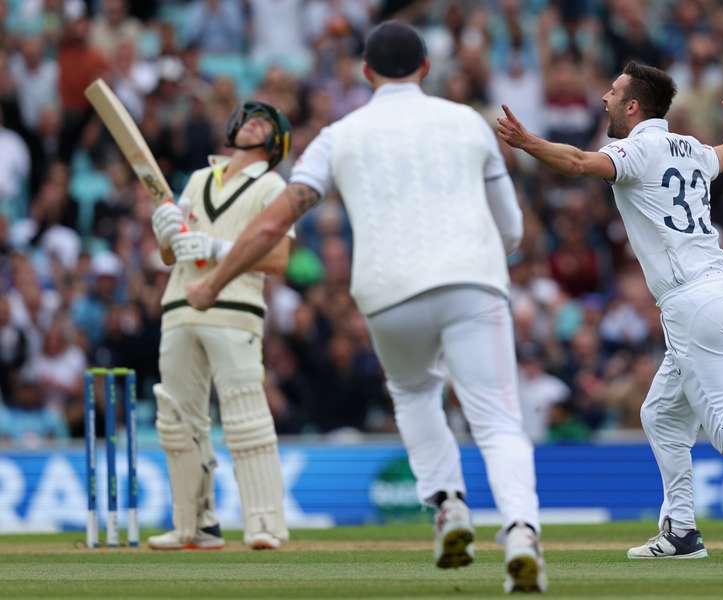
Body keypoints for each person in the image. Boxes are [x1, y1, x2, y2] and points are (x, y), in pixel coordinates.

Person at [185, 21, 547, 594]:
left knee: (413, 393)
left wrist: (212, 282)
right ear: (427, 67)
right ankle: (521, 532)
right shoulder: (468, 123)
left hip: (387, 293)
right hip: (472, 282)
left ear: (365, 72)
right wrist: (479, 258)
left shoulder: (338, 134)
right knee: (498, 421)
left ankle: (449, 507)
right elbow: (513, 230)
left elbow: (275, 222)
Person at [496, 61, 723, 559]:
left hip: (691, 303)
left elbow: (580, 164)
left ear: (633, 106)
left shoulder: (634, 149)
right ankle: (681, 531)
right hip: (721, 292)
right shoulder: (690, 148)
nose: (604, 99)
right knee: (661, 416)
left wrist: (529, 143)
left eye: (613, 92)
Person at [147, 101, 294, 550]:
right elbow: (171, 257)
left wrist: (216, 246)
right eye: (249, 117)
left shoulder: (272, 186)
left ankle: (265, 524)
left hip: (235, 308)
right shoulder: (196, 179)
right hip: (178, 305)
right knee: (177, 420)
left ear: (275, 143)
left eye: (264, 122)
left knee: (245, 416)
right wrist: (165, 236)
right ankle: (195, 525)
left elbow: (277, 259)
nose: (252, 122)